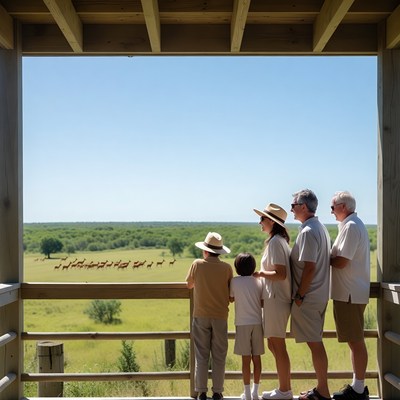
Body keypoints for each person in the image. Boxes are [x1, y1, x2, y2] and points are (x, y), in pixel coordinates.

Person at [290, 189, 331, 400]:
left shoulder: (307, 231)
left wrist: (299, 296)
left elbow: (309, 268)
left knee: (315, 343)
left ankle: (323, 391)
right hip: (320, 294)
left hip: (309, 296)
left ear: (303, 207)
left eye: (293, 206)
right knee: (315, 342)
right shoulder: (320, 227)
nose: (291, 210)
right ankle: (320, 388)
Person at [330, 191, 370, 400]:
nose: (331, 211)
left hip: (349, 293)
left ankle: (359, 389)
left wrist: (325, 257)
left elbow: (341, 261)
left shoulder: (351, 227)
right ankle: (357, 386)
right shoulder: (351, 225)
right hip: (350, 292)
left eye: (333, 207)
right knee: (354, 341)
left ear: (343, 206)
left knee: (355, 341)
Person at [185, 232, 233, 400]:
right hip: (220, 316)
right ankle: (218, 391)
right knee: (219, 354)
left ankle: (201, 391)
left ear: (205, 251)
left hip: (201, 315)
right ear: (219, 252)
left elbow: (189, 284)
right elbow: (231, 295)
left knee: (202, 354)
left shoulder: (197, 264)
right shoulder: (227, 268)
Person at [253, 203, 293, 400]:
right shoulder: (278, 241)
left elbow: (281, 274)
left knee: (277, 345)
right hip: (274, 299)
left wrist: (259, 274)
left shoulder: (276, 242)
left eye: (262, 219)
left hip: (277, 300)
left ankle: (285, 390)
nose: (260, 222)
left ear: (270, 221)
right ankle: (283, 388)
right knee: (274, 345)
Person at [230, 252, 264, 400]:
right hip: (257, 322)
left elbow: (231, 298)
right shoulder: (259, 281)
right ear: (253, 267)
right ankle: (256, 392)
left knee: (245, 359)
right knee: (256, 358)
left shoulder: (234, 282)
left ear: (237, 267)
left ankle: (247, 393)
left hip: (242, 323)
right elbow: (262, 302)